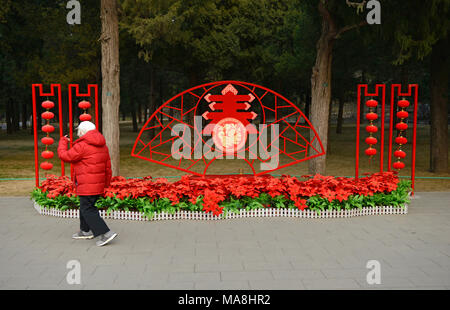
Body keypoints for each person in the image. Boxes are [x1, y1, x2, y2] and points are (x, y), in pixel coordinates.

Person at [58, 121, 118, 247]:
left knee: (88, 209)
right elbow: (108, 167)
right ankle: (85, 231)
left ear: (82, 132)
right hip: (97, 184)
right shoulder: (103, 145)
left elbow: (65, 156)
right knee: (85, 206)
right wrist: (105, 184)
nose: (78, 133)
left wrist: (63, 142)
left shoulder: (82, 146)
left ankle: (106, 233)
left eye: (79, 131)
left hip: (87, 184)